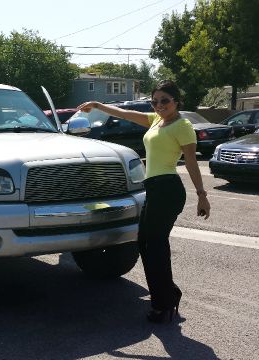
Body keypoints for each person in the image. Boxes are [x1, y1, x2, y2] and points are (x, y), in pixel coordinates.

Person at [77, 80, 211, 323]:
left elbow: (191, 162)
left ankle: (163, 303)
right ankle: (167, 293)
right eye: (155, 101)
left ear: (177, 101)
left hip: (168, 189)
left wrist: (202, 195)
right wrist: (97, 104)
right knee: (146, 243)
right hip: (153, 188)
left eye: (165, 101)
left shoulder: (183, 126)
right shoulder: (157, 120)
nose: (159, 105)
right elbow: (126, 113)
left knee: (155, 245)